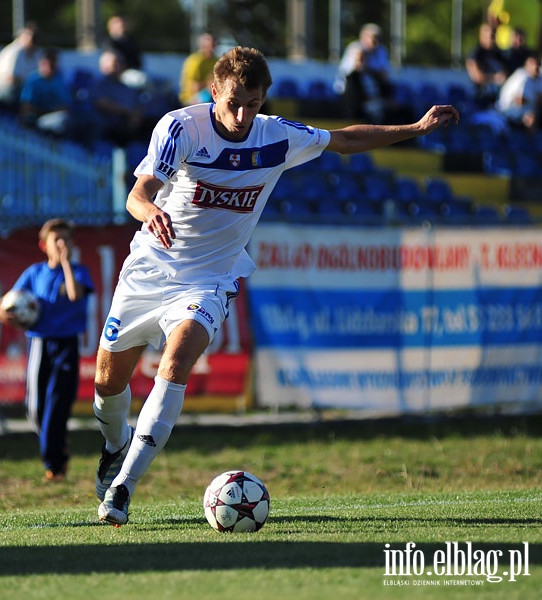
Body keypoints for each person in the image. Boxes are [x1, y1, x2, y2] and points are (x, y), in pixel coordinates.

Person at [93, 46, 459, 526]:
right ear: (214, 92)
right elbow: (137, 195)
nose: (243, 114)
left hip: (210, 277)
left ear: (265, 98)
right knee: (106, 383)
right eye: (234, 102)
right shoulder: (181, 127)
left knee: (177, 361)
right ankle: (114, 444)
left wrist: (413, 130)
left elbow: (344, 140)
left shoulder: (277, 136)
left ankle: (122, 489)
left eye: (253, 103)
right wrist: (153, 211)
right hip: (150, 268)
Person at [0, 219, 95, 482]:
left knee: (58, 404)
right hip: (39, 343)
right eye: (56, 240)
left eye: (66, 240)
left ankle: (55, 466)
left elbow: (74, 295)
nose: (62, 244)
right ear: (43, 245)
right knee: (36, 410)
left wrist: (65, 264)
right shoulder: (34, 273)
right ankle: (56, 444)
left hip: (66, 344)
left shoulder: (78, 271)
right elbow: (4, 306)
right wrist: (5, 315)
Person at [18, 48, 82, 141]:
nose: (51, 67)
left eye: (54, 63)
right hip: (38, 120)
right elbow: (26, 108)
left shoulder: (59, 80)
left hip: (55, 117)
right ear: (41, 63)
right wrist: (48, 111)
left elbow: (66, 105)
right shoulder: (32, 81)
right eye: (48, 64)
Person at [89, 49, 147, 147]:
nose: (119, 65)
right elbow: (101, 103)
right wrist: (127, 112)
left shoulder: (127, 86)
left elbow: (137, 105)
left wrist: (135, 116)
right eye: (115, 62)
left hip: (129, 126)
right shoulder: (98, 83)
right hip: (107, 126)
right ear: (104, 65)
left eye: (121, 62)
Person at [342, 47, 413, 125]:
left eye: (364, 59)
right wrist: (376, 101)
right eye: (360, 60)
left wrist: (388, 100)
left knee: (406, 111)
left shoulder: (373, 75)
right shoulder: (352, 77)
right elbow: (354, 98)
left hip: (379, 103)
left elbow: (384, 89)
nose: (361, 62)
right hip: (364, 107)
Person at [0, 24, 39, 112]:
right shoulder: (16, 51)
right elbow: (10, 79)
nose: (32, 41)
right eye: (30, 37)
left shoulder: (33, 54)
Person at [335, 23, 392, 95]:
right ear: (364, 37)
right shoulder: (356, 48)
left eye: (378, 38)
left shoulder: (381, 50)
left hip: (370, 88)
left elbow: (384, 75)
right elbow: (357, 68)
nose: (376, 41)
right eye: (373, 37)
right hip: (349, 89)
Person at [466, 23, 509, 109]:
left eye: (493, 36)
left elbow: (506, 72)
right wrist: (495, 78)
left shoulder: (498, 54)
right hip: (480, 99)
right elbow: (476, 77)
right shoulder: (476, 54)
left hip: (498, 99)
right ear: (481, 36)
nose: (492, 39)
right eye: (490, 36)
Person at [496, 52, 542, 129]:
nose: (535, 67)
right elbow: (519, 101)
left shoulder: (538, 78)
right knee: (530, 118)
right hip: (507, 109)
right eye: (533, 64)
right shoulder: (522, 76)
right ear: (526, 66)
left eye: (537, 64)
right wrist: (534, 100)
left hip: (529, 109)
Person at [103, 14, 146, 89]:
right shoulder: (109, 42)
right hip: (118, 75)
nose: (121, 26)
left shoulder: (131, 41)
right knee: (140, 80)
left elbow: (138, 61)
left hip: (133, 71)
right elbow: (111, 62)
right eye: (117, 24)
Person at [178, 32, 218, 106]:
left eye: (213, 44)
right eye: (210, 45)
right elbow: (192, 87)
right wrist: (208, 83)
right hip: (191, 98)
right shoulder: (194, 61)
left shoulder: (215, 60)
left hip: (209, 94)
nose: (212, 48)